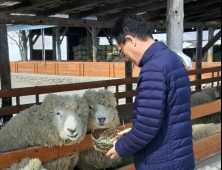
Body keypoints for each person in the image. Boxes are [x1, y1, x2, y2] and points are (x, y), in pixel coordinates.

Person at [106, 13, 195, 170]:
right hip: (178, 156)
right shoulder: (171, 58)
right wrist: (134, 131)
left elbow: (147, 126)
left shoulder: (153, 69)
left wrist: (121, 147)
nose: (125, 58)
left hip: (161, 161)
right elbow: (166, 114)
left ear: (129, 40)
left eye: (122, 51)